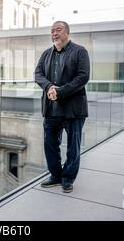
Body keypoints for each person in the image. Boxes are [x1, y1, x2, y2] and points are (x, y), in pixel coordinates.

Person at [34, 21, 90, 193]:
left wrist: (61, 92)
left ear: (67, 32)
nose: (54, 34)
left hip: (73, 109)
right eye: (52, 31)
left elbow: (83, 77)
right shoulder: (46, 54)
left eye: (58, 30)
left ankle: (68, 179)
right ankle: (56, 176)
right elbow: (38, 74)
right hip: (51, 109)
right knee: (50, 144)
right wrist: (49, 87)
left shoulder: (80, 51)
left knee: (73, 146)